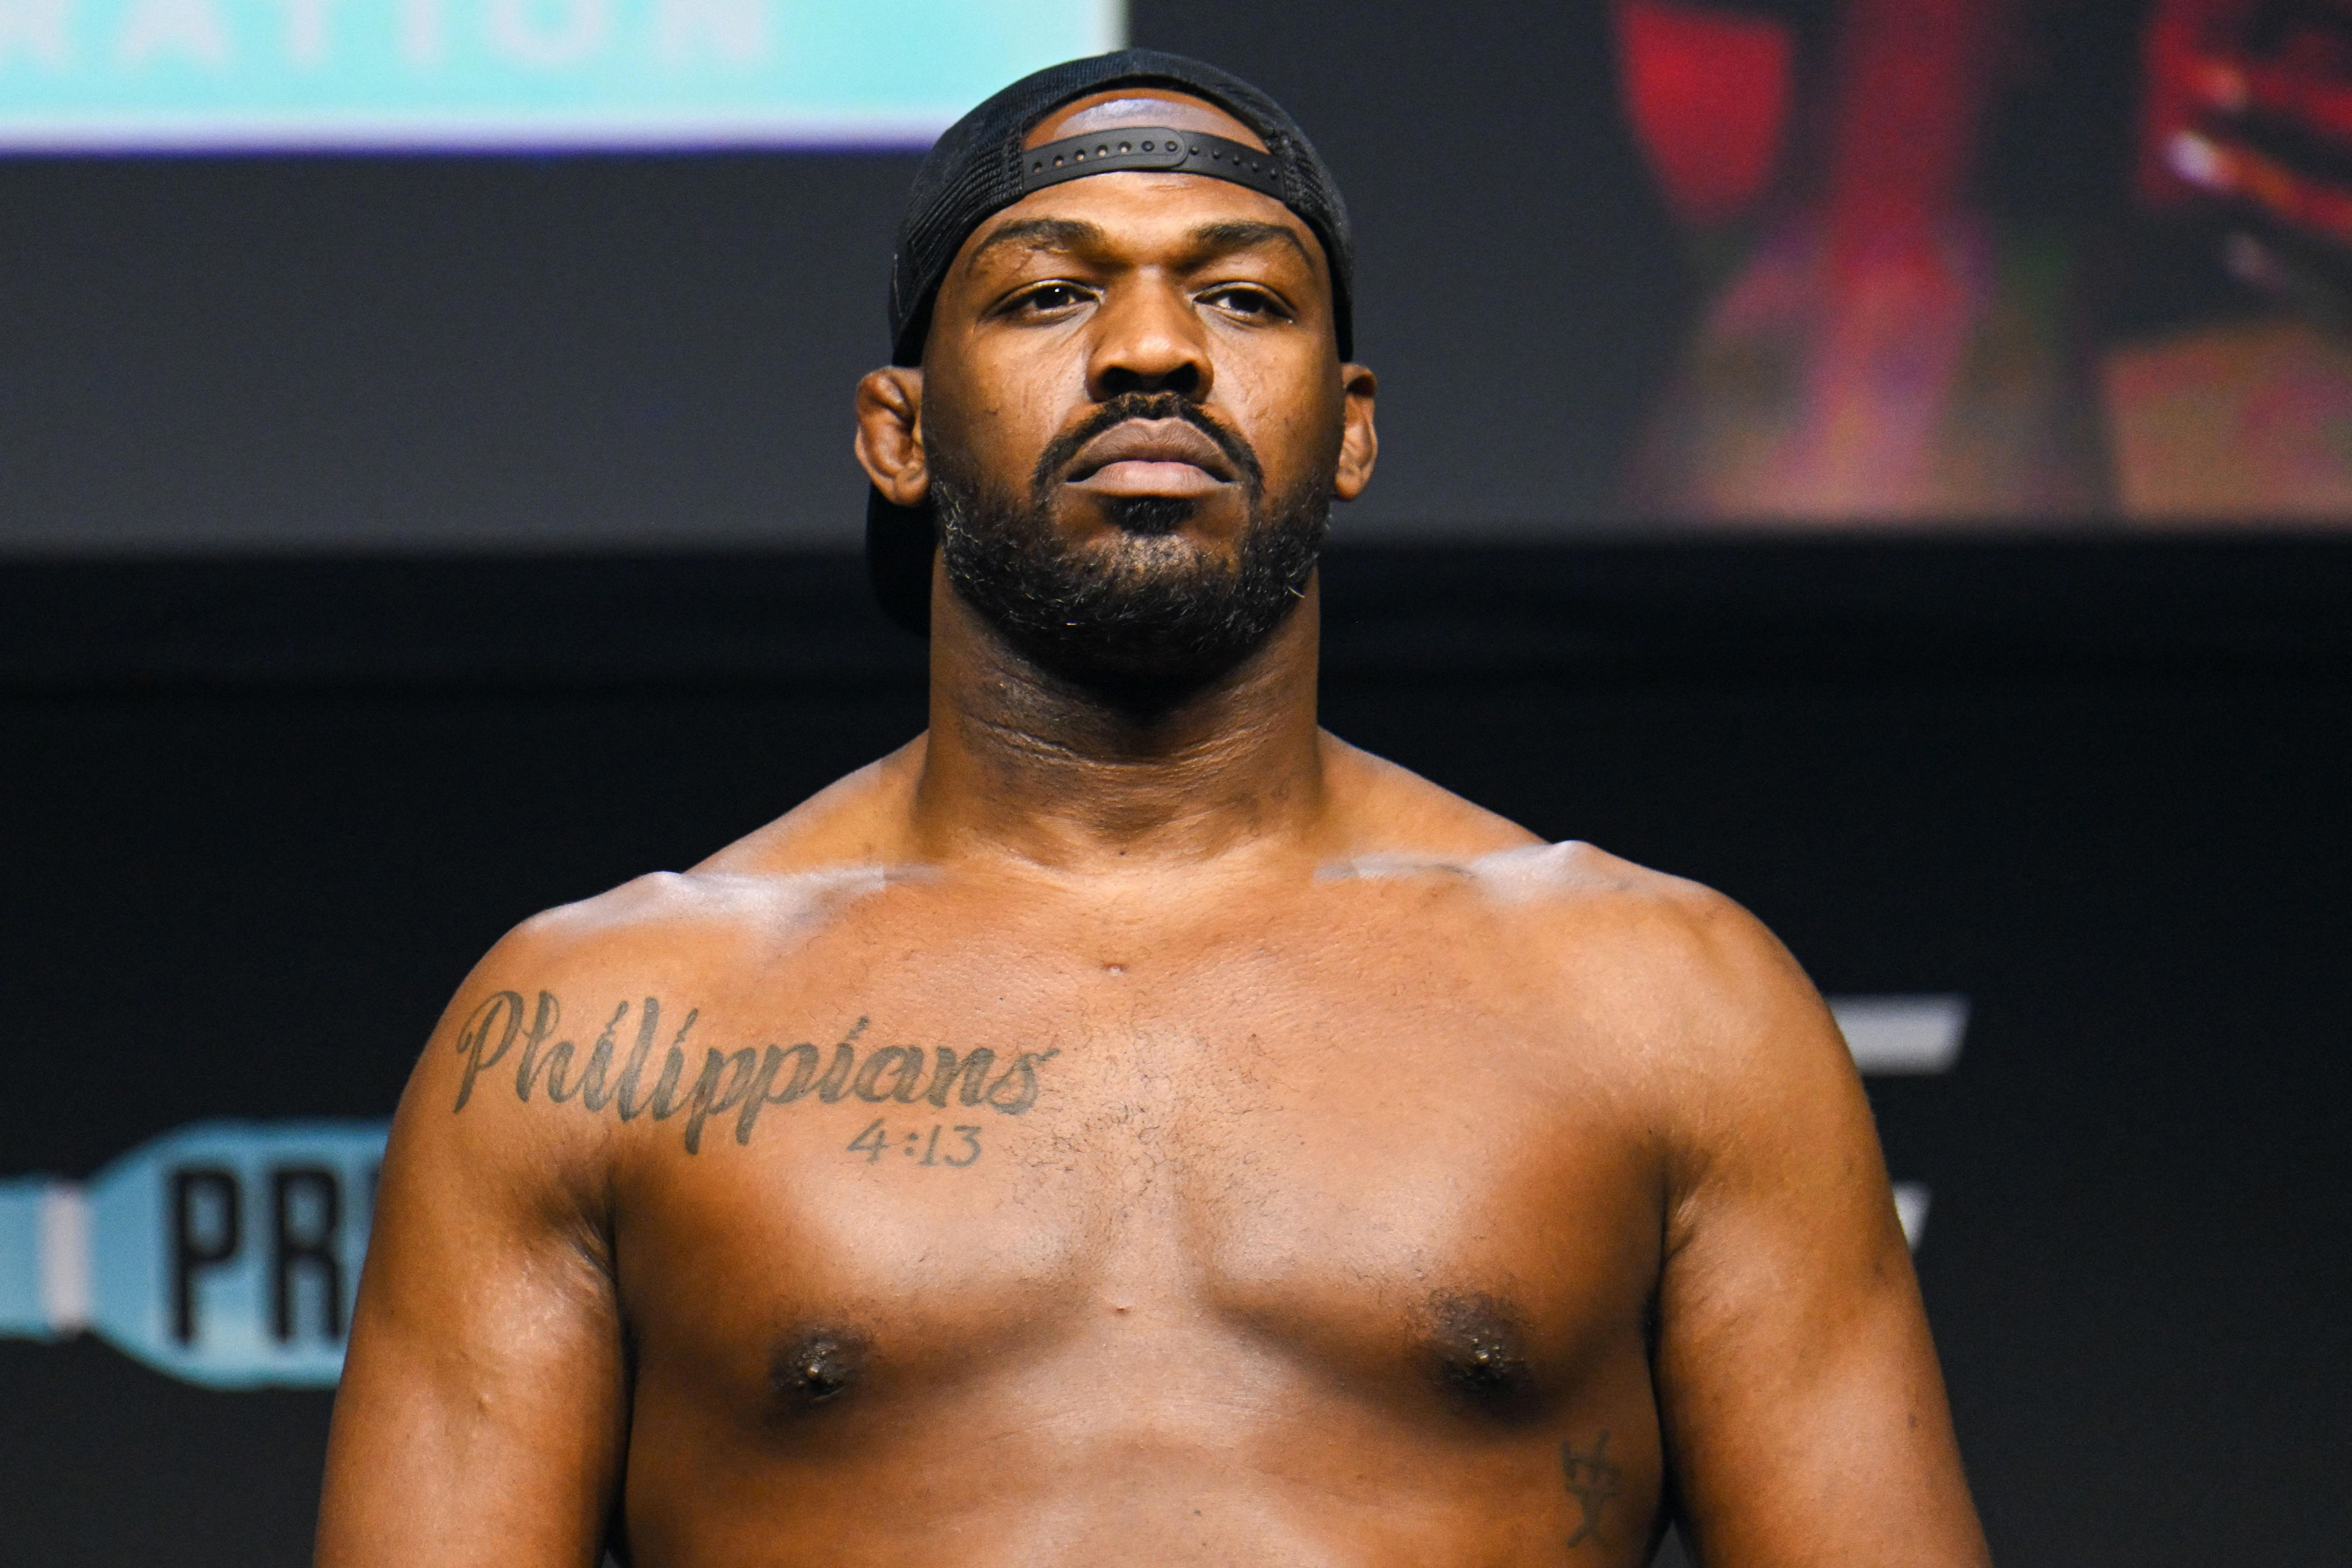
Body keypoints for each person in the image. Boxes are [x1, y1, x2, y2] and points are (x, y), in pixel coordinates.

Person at [316, 49, 1990, 1568]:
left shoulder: (1667, 1005)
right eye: (1050, 295)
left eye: (1245, 301)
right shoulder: (601, 1027)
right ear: (897, 433)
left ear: (1351, 430)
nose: (1152, 350)